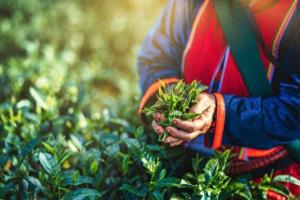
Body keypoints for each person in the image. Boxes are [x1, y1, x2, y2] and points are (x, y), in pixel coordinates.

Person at [137, 0, 300, 196]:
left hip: (266, 177)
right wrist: (167, 94)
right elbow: (157, 54)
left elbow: (294, 111)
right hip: (179, 163)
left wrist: (218, 112)